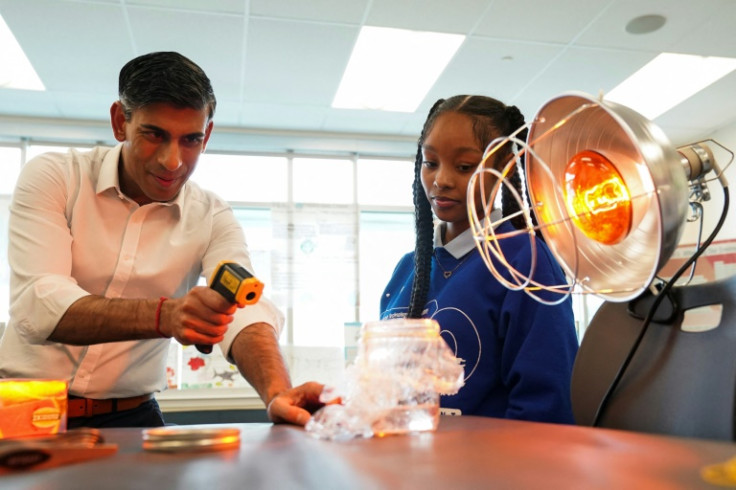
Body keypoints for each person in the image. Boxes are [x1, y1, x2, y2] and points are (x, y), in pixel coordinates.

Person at [0, 51, 324, 428]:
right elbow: (39, 304)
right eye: (154, 135)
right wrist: (164, 316)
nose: (173, 161)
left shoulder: (212, 215)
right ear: (120, 122)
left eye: (190, 139)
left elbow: (244, 306)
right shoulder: (56, 177)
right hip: (22, 409)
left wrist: (277, 391)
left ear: (207, 136)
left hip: (134, 417)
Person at [380, 95, 579, 424]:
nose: (441, 180)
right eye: (430, 163)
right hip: (406, 465)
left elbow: (547, 404)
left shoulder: (524, 261)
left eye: (463, 167)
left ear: (504, 170)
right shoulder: (407, 268)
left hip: (489, 469)